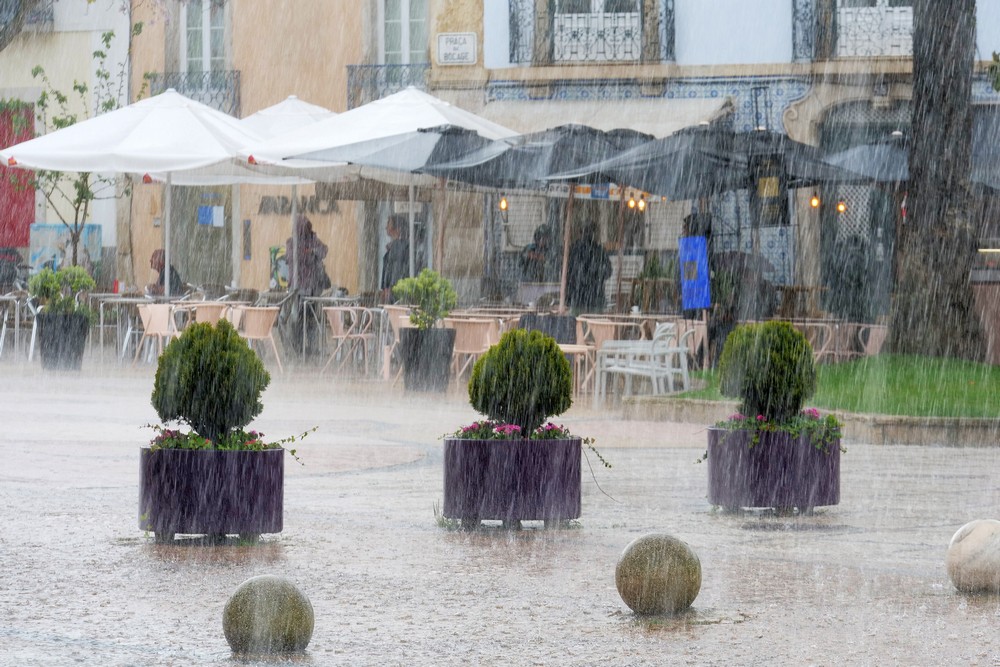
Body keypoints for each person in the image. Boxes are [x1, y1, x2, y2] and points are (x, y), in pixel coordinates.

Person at [566, 220, 611, 312]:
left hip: (591, 297)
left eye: (590, 231)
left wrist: (596, 273)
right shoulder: (575, 250)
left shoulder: (599, 250)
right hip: (580, 297)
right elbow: (571, 272)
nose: (588, 234)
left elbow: (608, 271)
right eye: (586, 231)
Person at [285, 215, 330, 297]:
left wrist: (312, 251)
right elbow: (293, 258)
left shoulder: (312, 239)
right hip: (298, 284)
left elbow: (324, 251)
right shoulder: (291, 242)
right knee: (300, 302)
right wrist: (310, 255)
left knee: (310, 303)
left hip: (312, 284)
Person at [381, 215, 410, 302]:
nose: (386, 227)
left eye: (388, 223)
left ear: (397, 228)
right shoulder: (395, 246)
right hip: (392, 289)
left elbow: (396, 268)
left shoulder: (400, 246)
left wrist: (389, 287)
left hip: (394, 290)